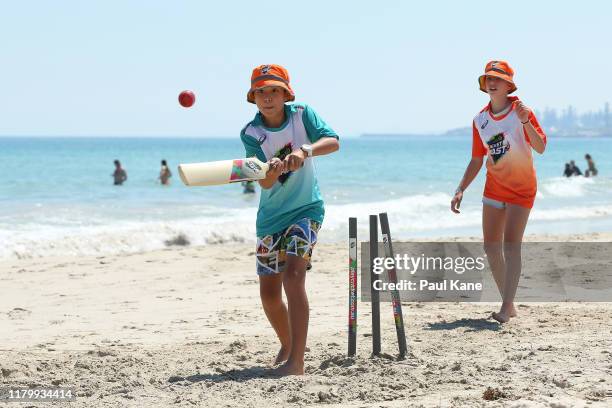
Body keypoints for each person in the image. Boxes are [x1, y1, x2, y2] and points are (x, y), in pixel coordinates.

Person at [240, 64, 339, 375]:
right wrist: (270, 170)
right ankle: (288, 343)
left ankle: (297, 362)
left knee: (293, 278)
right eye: (261, 91)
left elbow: (333, 141)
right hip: (270, 218)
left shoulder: (301, 114)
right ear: (253, 97)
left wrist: (305, 151)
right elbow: (265, 184)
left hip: (307, 209)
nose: (268, 97)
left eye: (274, 90)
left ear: (285, 93)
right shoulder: (251, 133)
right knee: (269, 296)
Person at [450, 61, 546, 323]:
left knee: (511, 246)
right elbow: (476, 159)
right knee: (491, 248)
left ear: (508, 85)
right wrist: (460, 189)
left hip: (522, 188)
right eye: (488, 78)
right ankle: (510, 303)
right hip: (494, 188)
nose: (492, 82)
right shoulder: (480, 120)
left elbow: (540, 147)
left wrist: (526, 121)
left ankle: (505, 307)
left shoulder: (521, 112)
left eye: (498, 79)